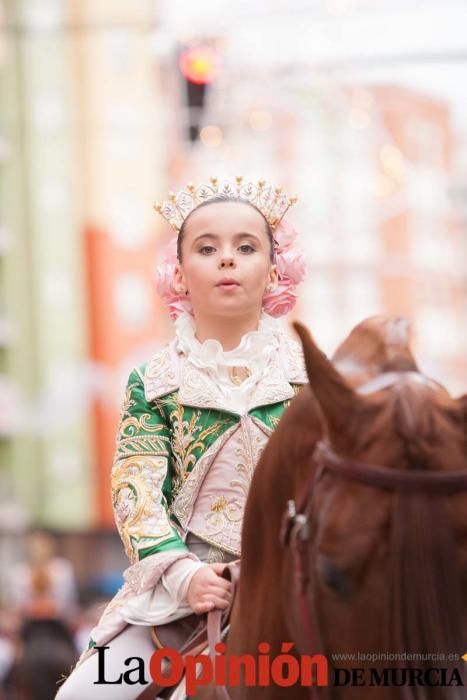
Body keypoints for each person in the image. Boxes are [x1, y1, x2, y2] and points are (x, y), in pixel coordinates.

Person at [55, 176, 307, 699]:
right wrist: (184, 575)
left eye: (246, 246)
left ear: (275, 268)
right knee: (82, 696)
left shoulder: (315, 380)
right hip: (180, 598)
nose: (227, 260)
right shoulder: (152, 383)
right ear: (179, 273)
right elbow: (136, 493)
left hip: (304, 581)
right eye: (207, 248)